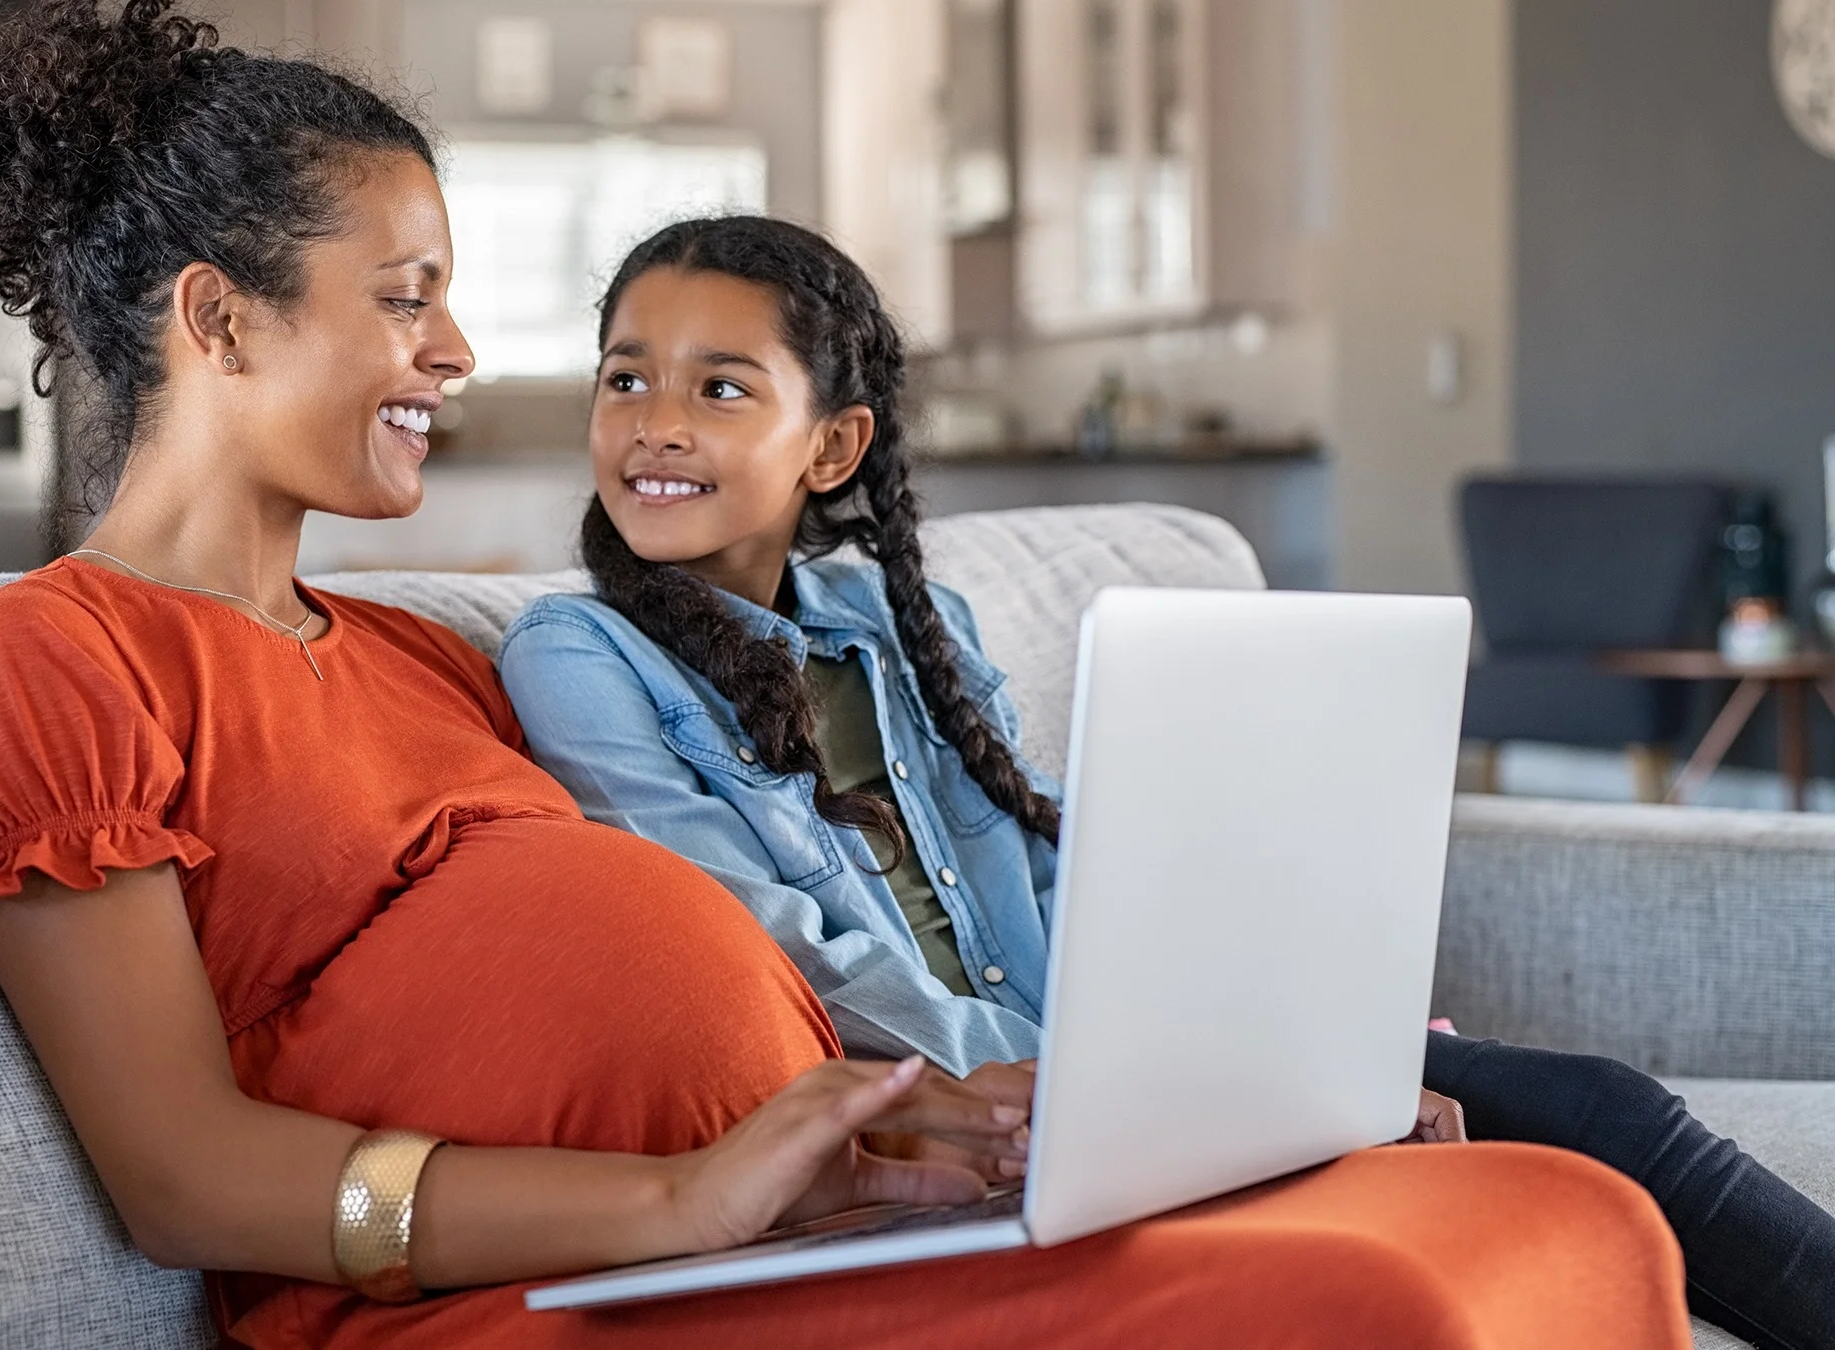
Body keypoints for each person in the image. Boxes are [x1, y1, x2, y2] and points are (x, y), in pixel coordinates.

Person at [0, 4, 1689, 1346]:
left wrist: (930, 1122)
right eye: (407, 297)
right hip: (542, 1294)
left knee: (1544, 1211)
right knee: (1379, 1306)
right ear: (219, 321)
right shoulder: (62, 658)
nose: (457, 352)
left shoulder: (410, 655)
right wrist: (676, 1196)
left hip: (790, 1231)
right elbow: (180, 1174)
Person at [496, 214, 1835, 1350]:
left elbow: (1065, 869)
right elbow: (757, 941)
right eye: (625, 380)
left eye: (719, 388)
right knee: (1505, 1180)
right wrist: (1070, 1082)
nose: (655, 427)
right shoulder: (582, 656)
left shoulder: (904, 621)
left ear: (833, 447)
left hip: (1130, 1081)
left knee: (1606, 1109)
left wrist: (1284, 1038)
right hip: (971, 1111)